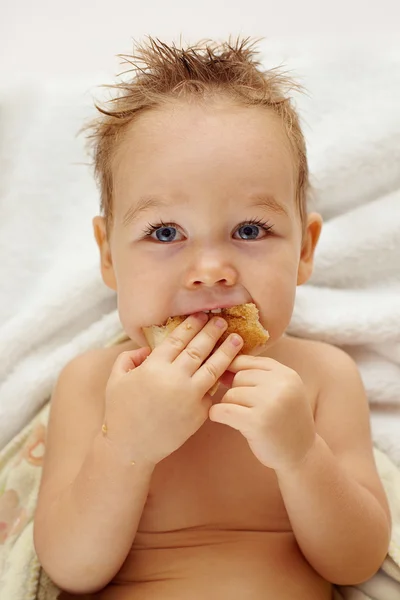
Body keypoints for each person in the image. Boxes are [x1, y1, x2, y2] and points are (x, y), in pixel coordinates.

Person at [33, 37, 391, 600]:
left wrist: (302, 456)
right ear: (108, 256)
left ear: (303, 251)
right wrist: (125, 447)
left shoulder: (321, 378)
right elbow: (71, 570)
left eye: (250, 230)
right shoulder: (94, 387)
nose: (210, 271)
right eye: (165, 233)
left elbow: (354, 562)